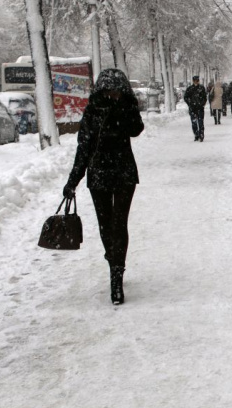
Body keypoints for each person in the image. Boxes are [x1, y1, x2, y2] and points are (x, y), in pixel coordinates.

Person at [62, 68, 144, 306]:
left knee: (119, 224)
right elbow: (83, 148)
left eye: (118, 91)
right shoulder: (93, 111)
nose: (114, 95)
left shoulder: (126, 108)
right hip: (98, 175)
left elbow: (136, 130)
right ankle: (113, 256)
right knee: (106, 225)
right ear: (102, 90)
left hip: (123, 175)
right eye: (110, 90)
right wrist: (73, 180)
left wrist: (127, 106)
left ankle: (116, 274)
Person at [184, 75, 207, 141]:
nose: (196, 82)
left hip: (200, 107)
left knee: (200, 122)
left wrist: (202, 103)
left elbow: (204, 97)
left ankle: (201, 134)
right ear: (193, 81)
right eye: (195, 80)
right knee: (194, 122)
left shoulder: (202, 88)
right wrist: (190, 103)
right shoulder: (190, 89)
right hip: (192, 108)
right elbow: (185, 97)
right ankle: (196, 134)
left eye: (197, 80)